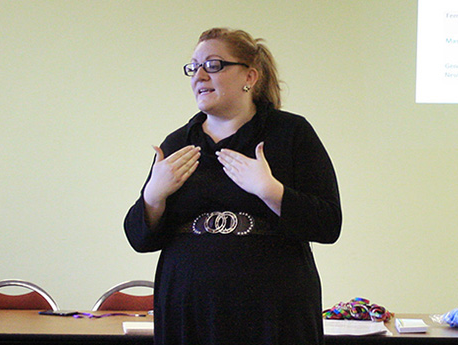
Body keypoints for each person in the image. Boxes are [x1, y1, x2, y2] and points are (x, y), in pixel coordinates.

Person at [124, 27, 341, 345]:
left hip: (273, 309)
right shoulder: (177, 143)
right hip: (188, 307)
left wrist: (270, 191)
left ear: (249, 77)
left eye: (212, 64)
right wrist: (153, 196)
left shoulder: (290, 133)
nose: (199, 75)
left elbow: (328, 225)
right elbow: (139, 238)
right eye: (193, 67)